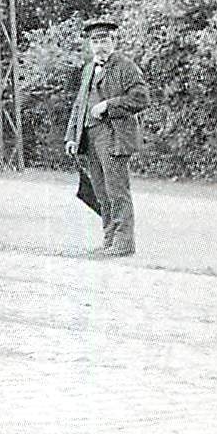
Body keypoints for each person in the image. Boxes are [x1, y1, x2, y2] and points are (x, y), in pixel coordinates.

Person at [63, 16, 149, 257]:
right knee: (100, 191)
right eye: (94, 41)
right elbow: (80, 104)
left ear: (114, 40)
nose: (99, 45)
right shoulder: (89, 69)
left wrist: (109, 105)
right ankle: (110, 238)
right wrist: (72, 136)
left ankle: (124, 243)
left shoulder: (126, 67)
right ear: (89, 44)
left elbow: (142, 98)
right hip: (89, 137)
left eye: (104, 40)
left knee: (116, 190)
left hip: (114, 137)